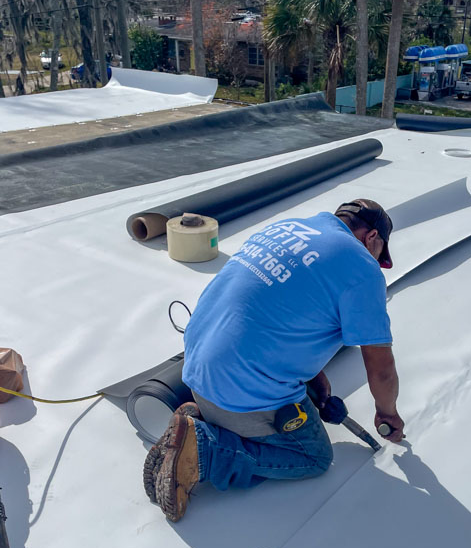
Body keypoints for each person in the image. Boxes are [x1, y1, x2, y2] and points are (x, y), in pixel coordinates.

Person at [144, 199, 406, 522]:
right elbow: (381, 369)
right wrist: (388, 414)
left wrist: (312, 377)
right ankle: (205, 450)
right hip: (236, 390)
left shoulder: (288, 227)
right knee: (313, 456)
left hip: (195, 369)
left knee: (287, 402)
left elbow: (279, 310)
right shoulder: (363, 268)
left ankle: (200, 419)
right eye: (379, 255)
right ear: (373, 238)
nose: (376, 262)